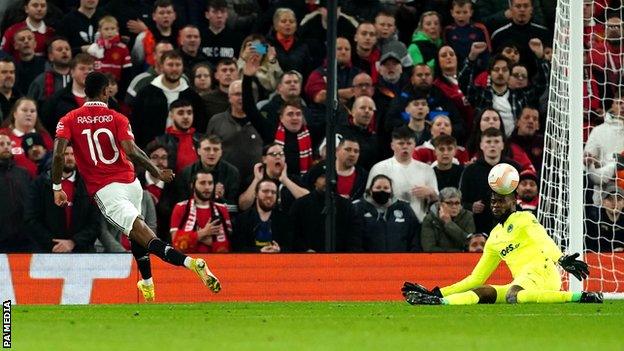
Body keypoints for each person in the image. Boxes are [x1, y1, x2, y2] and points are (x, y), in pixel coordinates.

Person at [51, 71, 221, 302]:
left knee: (147, 237)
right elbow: (131, 150)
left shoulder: (68, 119)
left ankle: (191, 263)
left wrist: (57, 186)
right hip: (131, 184)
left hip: (106, 189)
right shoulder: (118, 118)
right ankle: (148, 284)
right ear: (105, 92)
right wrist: (155, 170)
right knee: (135, 233)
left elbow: (59, 155)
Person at [402, 190, 604, 305]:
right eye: (492, 201)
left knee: (512, 295)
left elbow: (542, 239)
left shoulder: (524, 218)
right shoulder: (494, 238)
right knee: (483, 291)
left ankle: (583, 297)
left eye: (501, 200)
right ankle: (438, 303)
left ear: (513, 201)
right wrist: (438, 292)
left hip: (543, 275)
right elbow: (476, 278)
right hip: (524, 285)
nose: (495, 205)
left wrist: (560, 259)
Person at [25, 144, 100, 252]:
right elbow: (31, 219)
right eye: (65, 154)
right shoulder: (40, 184)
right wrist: (53, 243)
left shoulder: (89, 184)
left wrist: (73, 242)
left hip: (82, 253)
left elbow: (95, 222)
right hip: (49, 251)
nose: (70, 158)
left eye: (73, 154)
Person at [367, 126, 438, 223]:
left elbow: (437, 201)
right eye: (401, 143)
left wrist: (431, 192)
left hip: (418, 223)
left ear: (414, 145)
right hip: (388, 223)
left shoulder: (427, 169)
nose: (405, 146)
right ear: (392, 145)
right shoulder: (379, 168)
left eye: (409, 143)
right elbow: (368, 198)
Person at [351, 174, 421, 252]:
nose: (382, 190)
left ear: (391, 191)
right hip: (368, 262)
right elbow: (354, 240)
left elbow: (415, 237)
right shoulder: (358, 208)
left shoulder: (404, 208)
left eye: (386, 188)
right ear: (370, 190)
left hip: (400, 261)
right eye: (378, 187)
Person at [170, 169, 232, 253]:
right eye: (202, 183)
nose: (207, 187)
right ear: (193, 185)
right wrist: (203, 233)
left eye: (210, 183)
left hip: (216, 262)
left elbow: (226, 247)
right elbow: (176, 244)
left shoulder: (222, 209)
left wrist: (194, 236)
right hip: (188, 262)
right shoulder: (180, 207)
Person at [231, 178, 292, 252]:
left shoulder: (285, 219)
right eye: (265, 191)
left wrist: (279, 250)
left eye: (273, 192)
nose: (269, 195)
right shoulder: (241, 220)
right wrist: (259, 251)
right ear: (256, 194)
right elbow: (237, 249)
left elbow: (291, 247)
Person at [0, 132, 32, 252]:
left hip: (24, 238)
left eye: (8, 143)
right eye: (1, 144)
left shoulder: (23, 173)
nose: (6, 146)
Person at [421, 187, 475, 252]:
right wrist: (456, 252)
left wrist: (449, 223)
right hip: (437, 259)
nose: (454, 206)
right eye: (449, 203)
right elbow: (429, 248)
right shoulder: (430, 219)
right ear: (440, 204)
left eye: (457, 203)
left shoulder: (467, 216)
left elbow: (469, 242)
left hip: (463, 258)